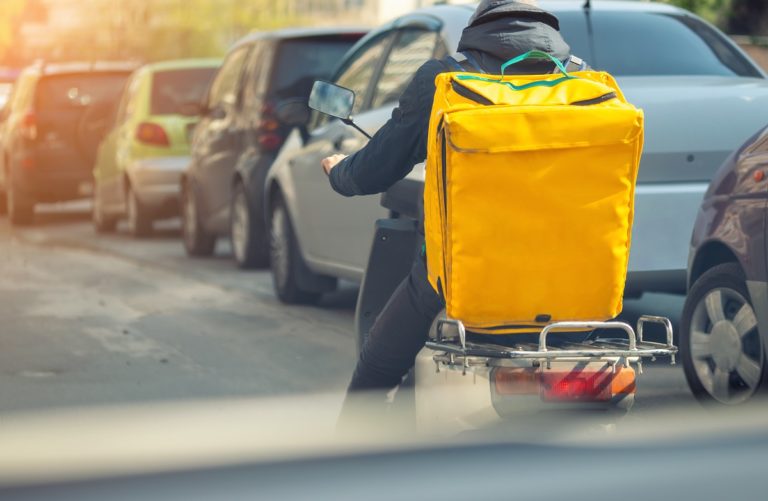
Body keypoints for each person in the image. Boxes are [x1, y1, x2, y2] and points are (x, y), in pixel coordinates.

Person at [321, 0, 572, 398]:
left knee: (375, 369)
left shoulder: (446, 80)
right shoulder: (580, 82)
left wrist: (339, 171)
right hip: (567, 272)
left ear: (479, 26)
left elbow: (375, 168)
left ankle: (359, 437)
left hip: (462, 271)